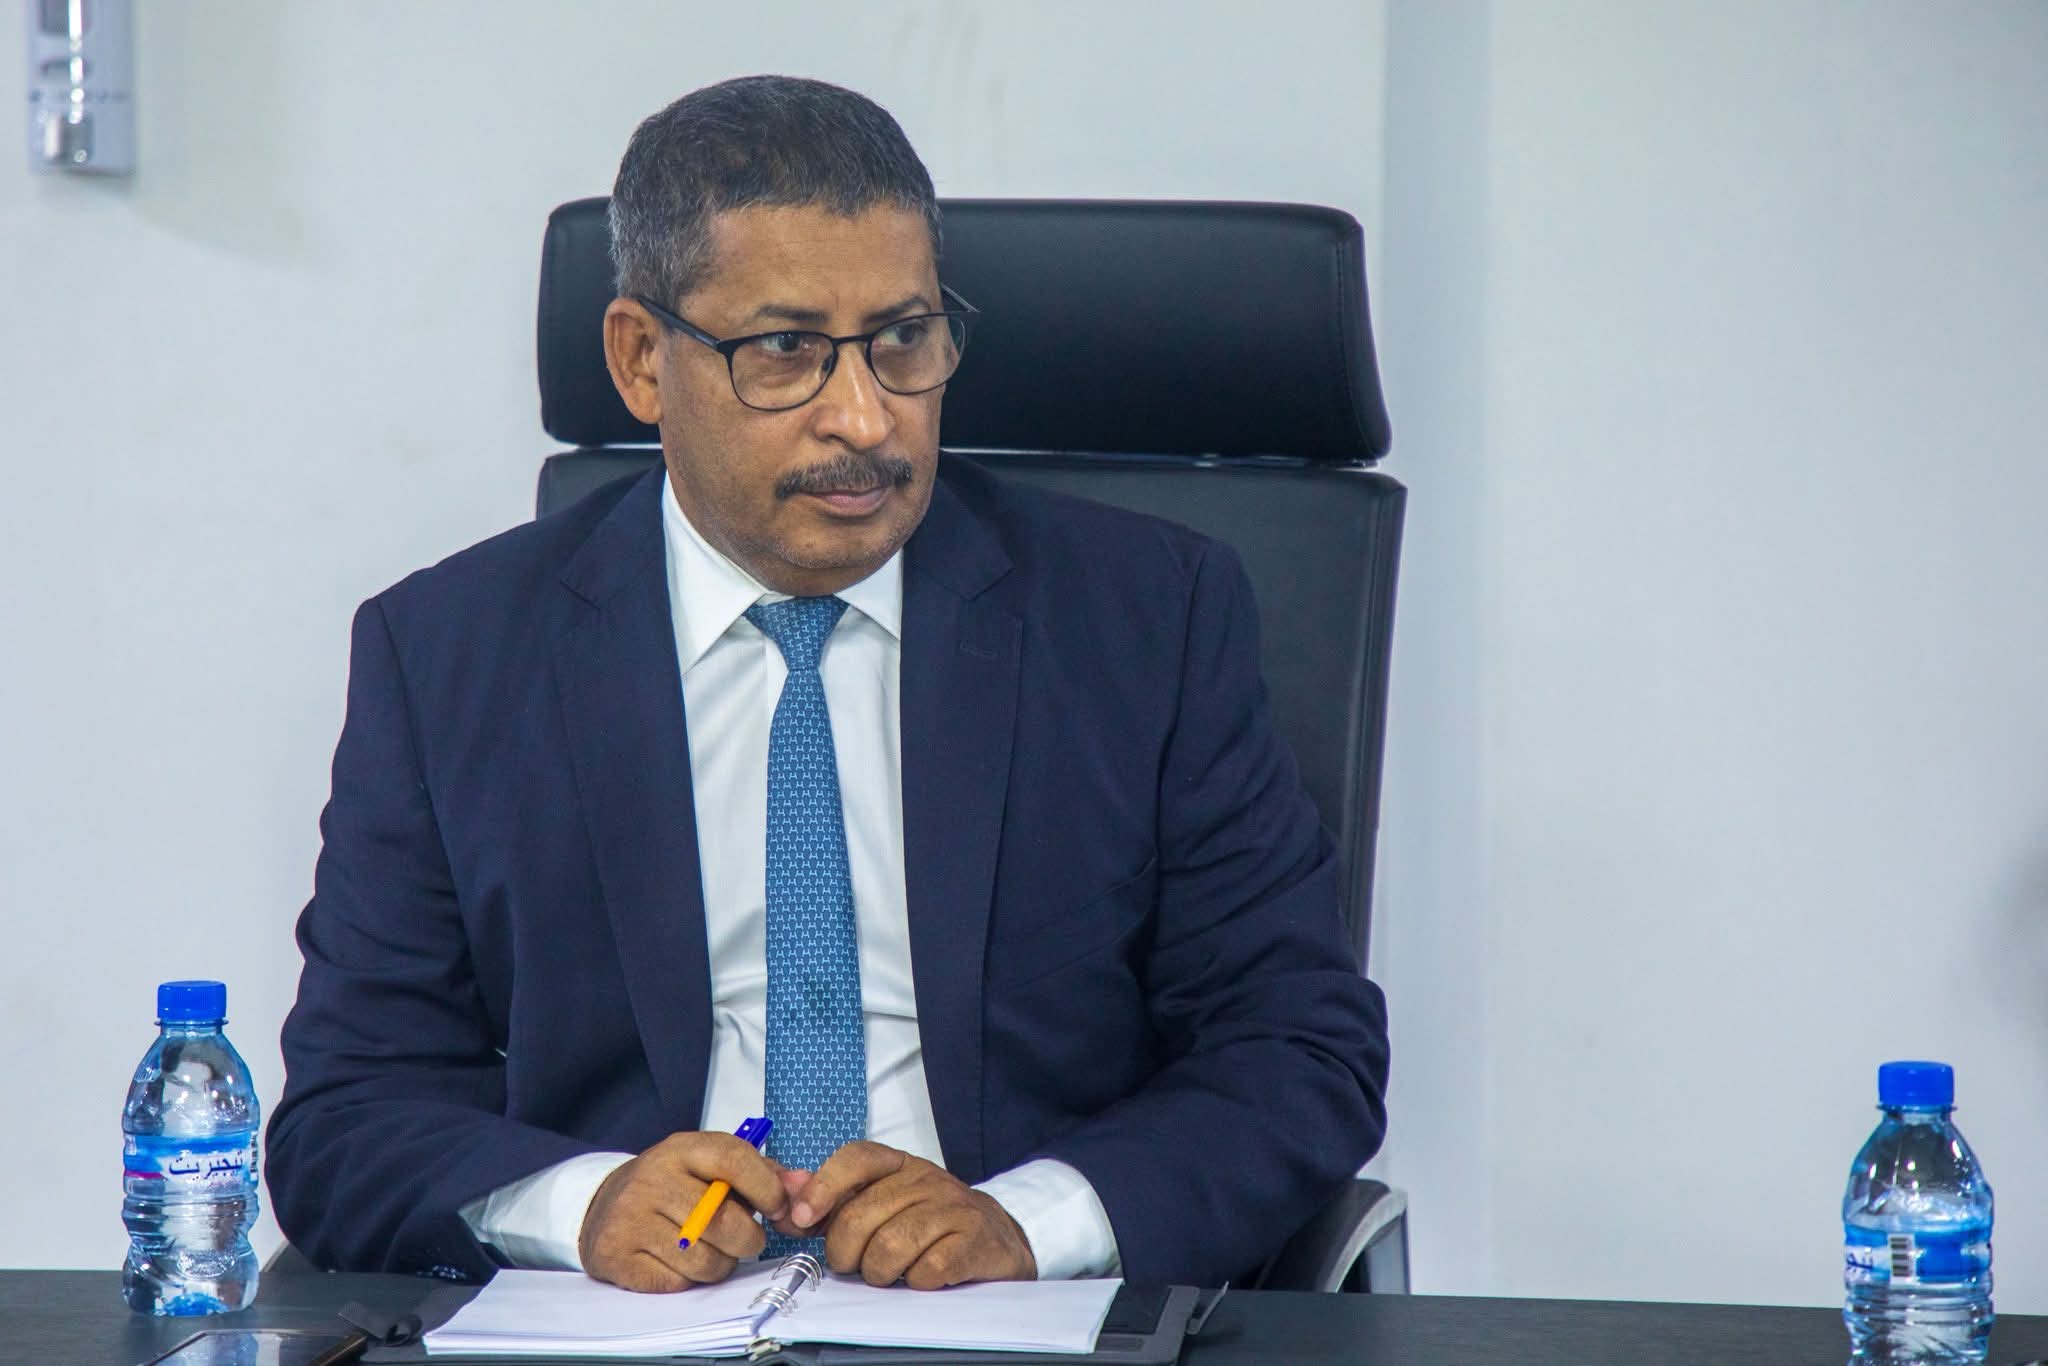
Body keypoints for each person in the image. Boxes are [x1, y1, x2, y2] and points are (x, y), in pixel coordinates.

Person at [268, 74, 1388, 1294]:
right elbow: (348, 1114)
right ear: (641, 361)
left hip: (1001, 1311)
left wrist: (1027, 1223)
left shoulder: (1143, 620)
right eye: (785, 350)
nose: (864, 419)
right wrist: (583, 1206)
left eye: (902, 340)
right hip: (632, 1318)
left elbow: (1297, 1050)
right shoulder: (450, 654)